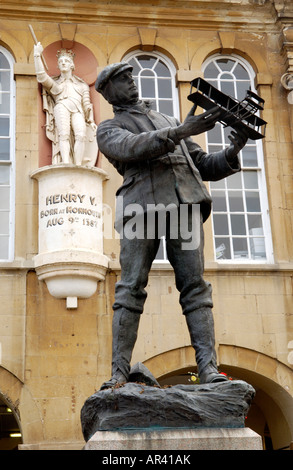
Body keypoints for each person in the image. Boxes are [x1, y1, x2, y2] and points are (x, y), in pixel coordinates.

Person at [95, 62, 248, 388]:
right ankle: (118, 375)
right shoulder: (109, 128)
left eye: (131, 76)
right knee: (130, 288)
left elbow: (204, 165)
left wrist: (233, 150)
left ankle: (208, 370)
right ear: (109, 91)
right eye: (123, 79)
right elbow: (132, 147)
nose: (131, 81)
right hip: (142, 210)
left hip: (185, 205)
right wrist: (180, 131)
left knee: (195, 288)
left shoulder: (167, 119)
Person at [33, 42, 97, 166]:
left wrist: (91, 121)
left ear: (72, 65)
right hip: (61, 106)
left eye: (66, 61)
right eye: (61, 61)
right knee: (64, 135)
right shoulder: (56, 84)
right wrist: (37, 55)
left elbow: (87, 105)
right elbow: (41, 77)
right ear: (58, 65)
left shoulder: (82, 85)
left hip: (78, 110)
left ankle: (78, 165)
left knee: (81, 135)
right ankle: (66, 163)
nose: (63, 63)